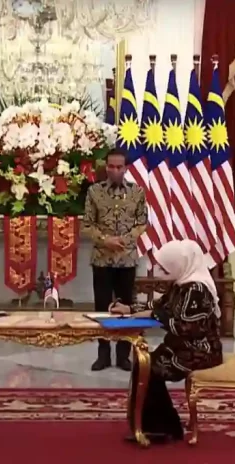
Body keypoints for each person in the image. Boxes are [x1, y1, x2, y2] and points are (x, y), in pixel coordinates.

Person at [111, 240, 223, 442]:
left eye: (165, 267)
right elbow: (159, 306)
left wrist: (159, 317)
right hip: (180, 347)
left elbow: (189, 329)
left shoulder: (196, 290)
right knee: (142, 364)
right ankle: (149, 424)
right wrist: (129, 310)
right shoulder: (181, 285)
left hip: (199, 351)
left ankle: (165, 428)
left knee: (150, 369)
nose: (162, 271)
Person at [82, 148, 148, 371]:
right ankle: (103, 354)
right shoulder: (94, 192)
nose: (115, 170)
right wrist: (105, 240)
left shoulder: (137, 192)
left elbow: (142, 223)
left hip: (127, 260)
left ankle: (123, 355)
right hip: (102, 260)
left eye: (119, 167)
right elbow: (88, 224)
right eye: (111, 166)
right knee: (102, 307)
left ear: (126, 168)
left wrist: (127, 239)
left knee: (125, 307)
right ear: (106, 167)